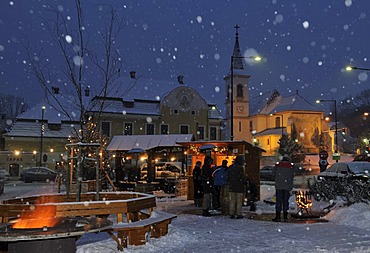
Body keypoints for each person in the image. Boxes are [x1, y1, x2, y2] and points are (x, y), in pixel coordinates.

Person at [272, 154, 294, 222]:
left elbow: (273, 174)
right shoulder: (290, 166)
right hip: (287, 187)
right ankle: (285, 216)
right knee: (285, 202)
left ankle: (278, 216)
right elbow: (292, 176)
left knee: (279, 201)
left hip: (279, 186)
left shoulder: (278, 165)